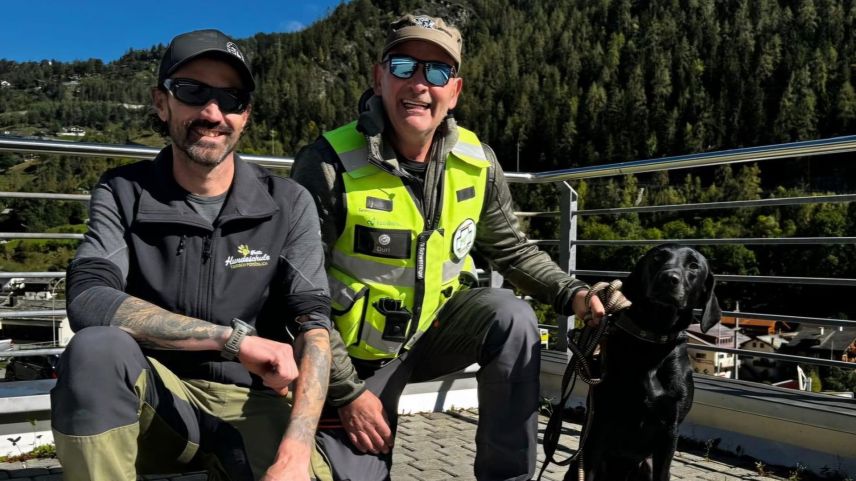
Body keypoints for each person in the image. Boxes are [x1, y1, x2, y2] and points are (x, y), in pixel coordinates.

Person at [291, 14, 605, 481]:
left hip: (436, 330)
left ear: (453, 90)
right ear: (379, 78)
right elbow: (300, 295)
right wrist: (347, 393)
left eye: (436, 72)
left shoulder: (477, 161)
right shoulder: (327, 164)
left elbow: (513, 251)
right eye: (403, 66)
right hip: (355, 357)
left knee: (513, 318)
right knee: (353, 473)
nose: (419, 84)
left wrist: (575, 294)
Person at [51, 29, 333, 481]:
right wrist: (231, 340)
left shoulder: (289, 202)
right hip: (155, 406)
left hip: (253, 405)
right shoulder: (123, 192)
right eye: (192, 91)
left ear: (246, 115)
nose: (212, 112)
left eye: (231, 98)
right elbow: (88, 300)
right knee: (95, 349)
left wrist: (297, 449)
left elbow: (314, 328)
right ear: (162, 103)